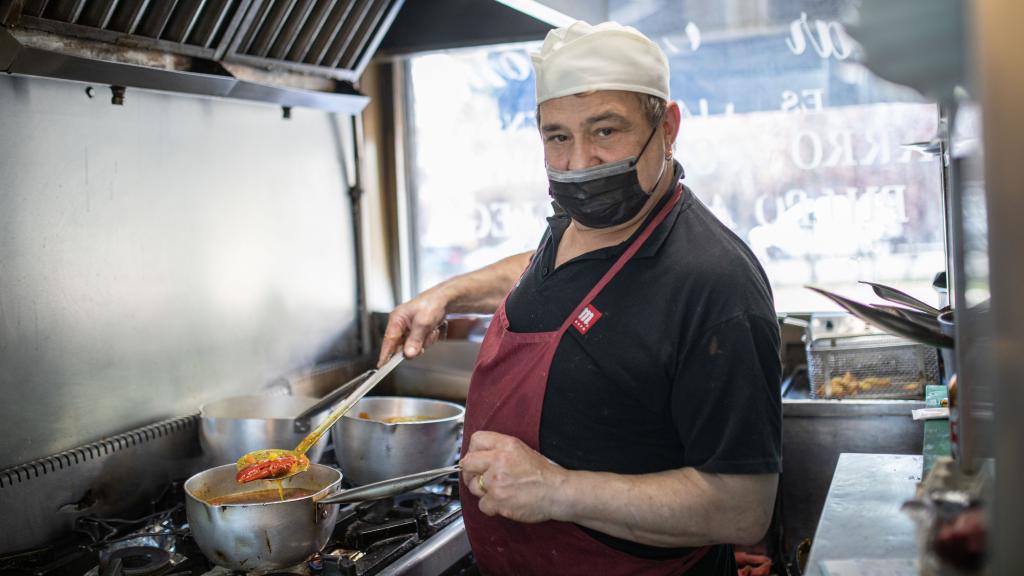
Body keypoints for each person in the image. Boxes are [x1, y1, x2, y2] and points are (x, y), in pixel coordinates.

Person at [378, 20, 782, 576]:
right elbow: (557, 272)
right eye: (557, 137)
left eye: (606, 131)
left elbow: (743, 508)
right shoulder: (586, 217)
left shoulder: (715, 286)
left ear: (667, 126)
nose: (580, 164)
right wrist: (449, 293)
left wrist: (557, 490)